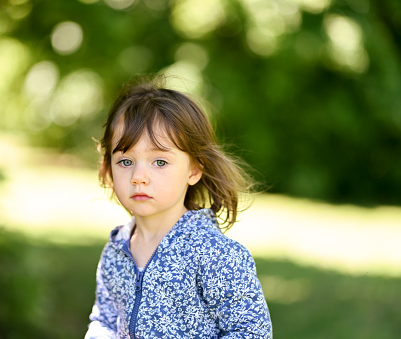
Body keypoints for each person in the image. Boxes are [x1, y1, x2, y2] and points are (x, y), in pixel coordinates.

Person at [85, 75, 272, 338]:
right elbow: (103, 322)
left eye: (159, 162)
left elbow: (251, 332)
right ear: (108, 169)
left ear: (194, 169)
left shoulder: (215, 254)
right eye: (126, 161)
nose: (139, 176)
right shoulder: (116, 252)